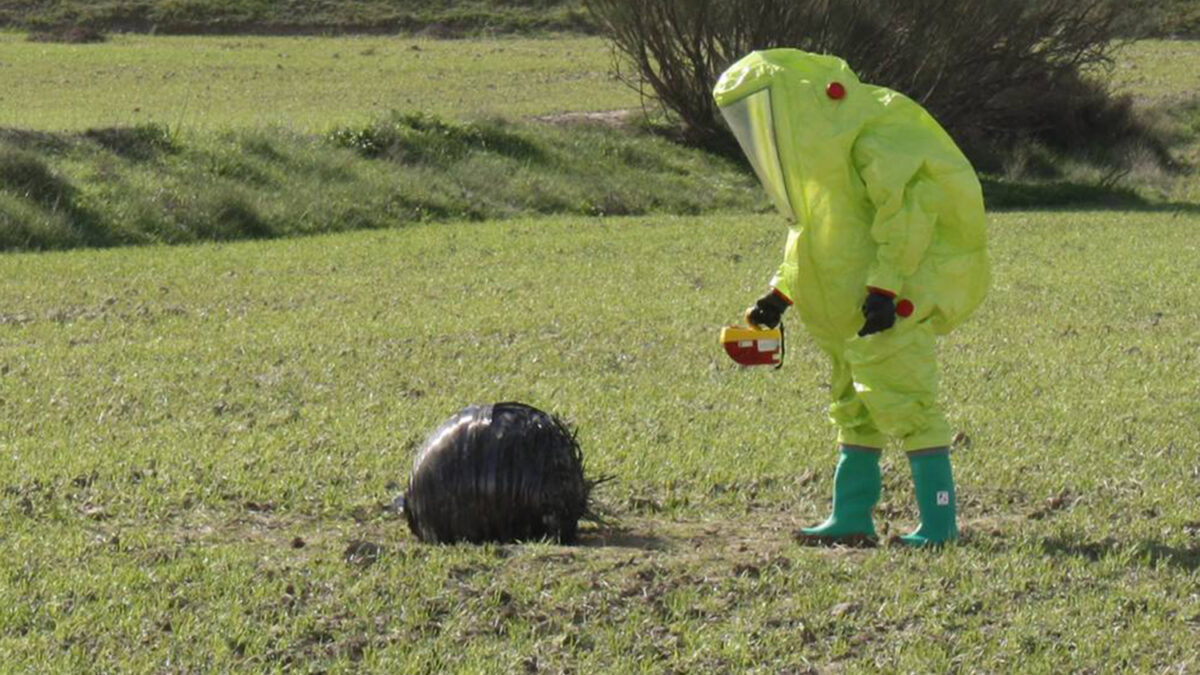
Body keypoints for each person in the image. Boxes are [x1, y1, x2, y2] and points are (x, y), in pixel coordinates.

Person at [714, 49, 989, 547]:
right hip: (842, 316)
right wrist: (779, 296)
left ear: (792, 109)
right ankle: (852, 518)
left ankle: (940, 525)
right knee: (854, 410)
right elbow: (812, 242)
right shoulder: (816, 182)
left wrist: (885, 288)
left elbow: (906, 219)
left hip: (886, 308)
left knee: (911, 406)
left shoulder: (869, 141)